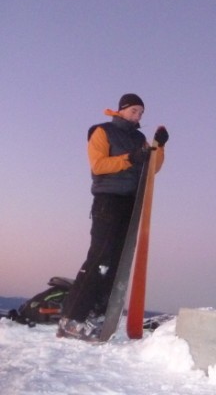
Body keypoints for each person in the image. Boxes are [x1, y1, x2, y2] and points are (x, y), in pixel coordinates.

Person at [58, 93, 169, 341]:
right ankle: (72, 318)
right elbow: (98, 165)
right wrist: (130, 158)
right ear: (121, 110)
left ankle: (96, 315)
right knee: (100, 259)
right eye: (134, 110)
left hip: (131, 203)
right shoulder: (102, 131)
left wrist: (160, 146)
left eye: (141, 112)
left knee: (116, 263)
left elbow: (152, 169)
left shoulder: (139, 139)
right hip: (108, 201)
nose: (138, 115)